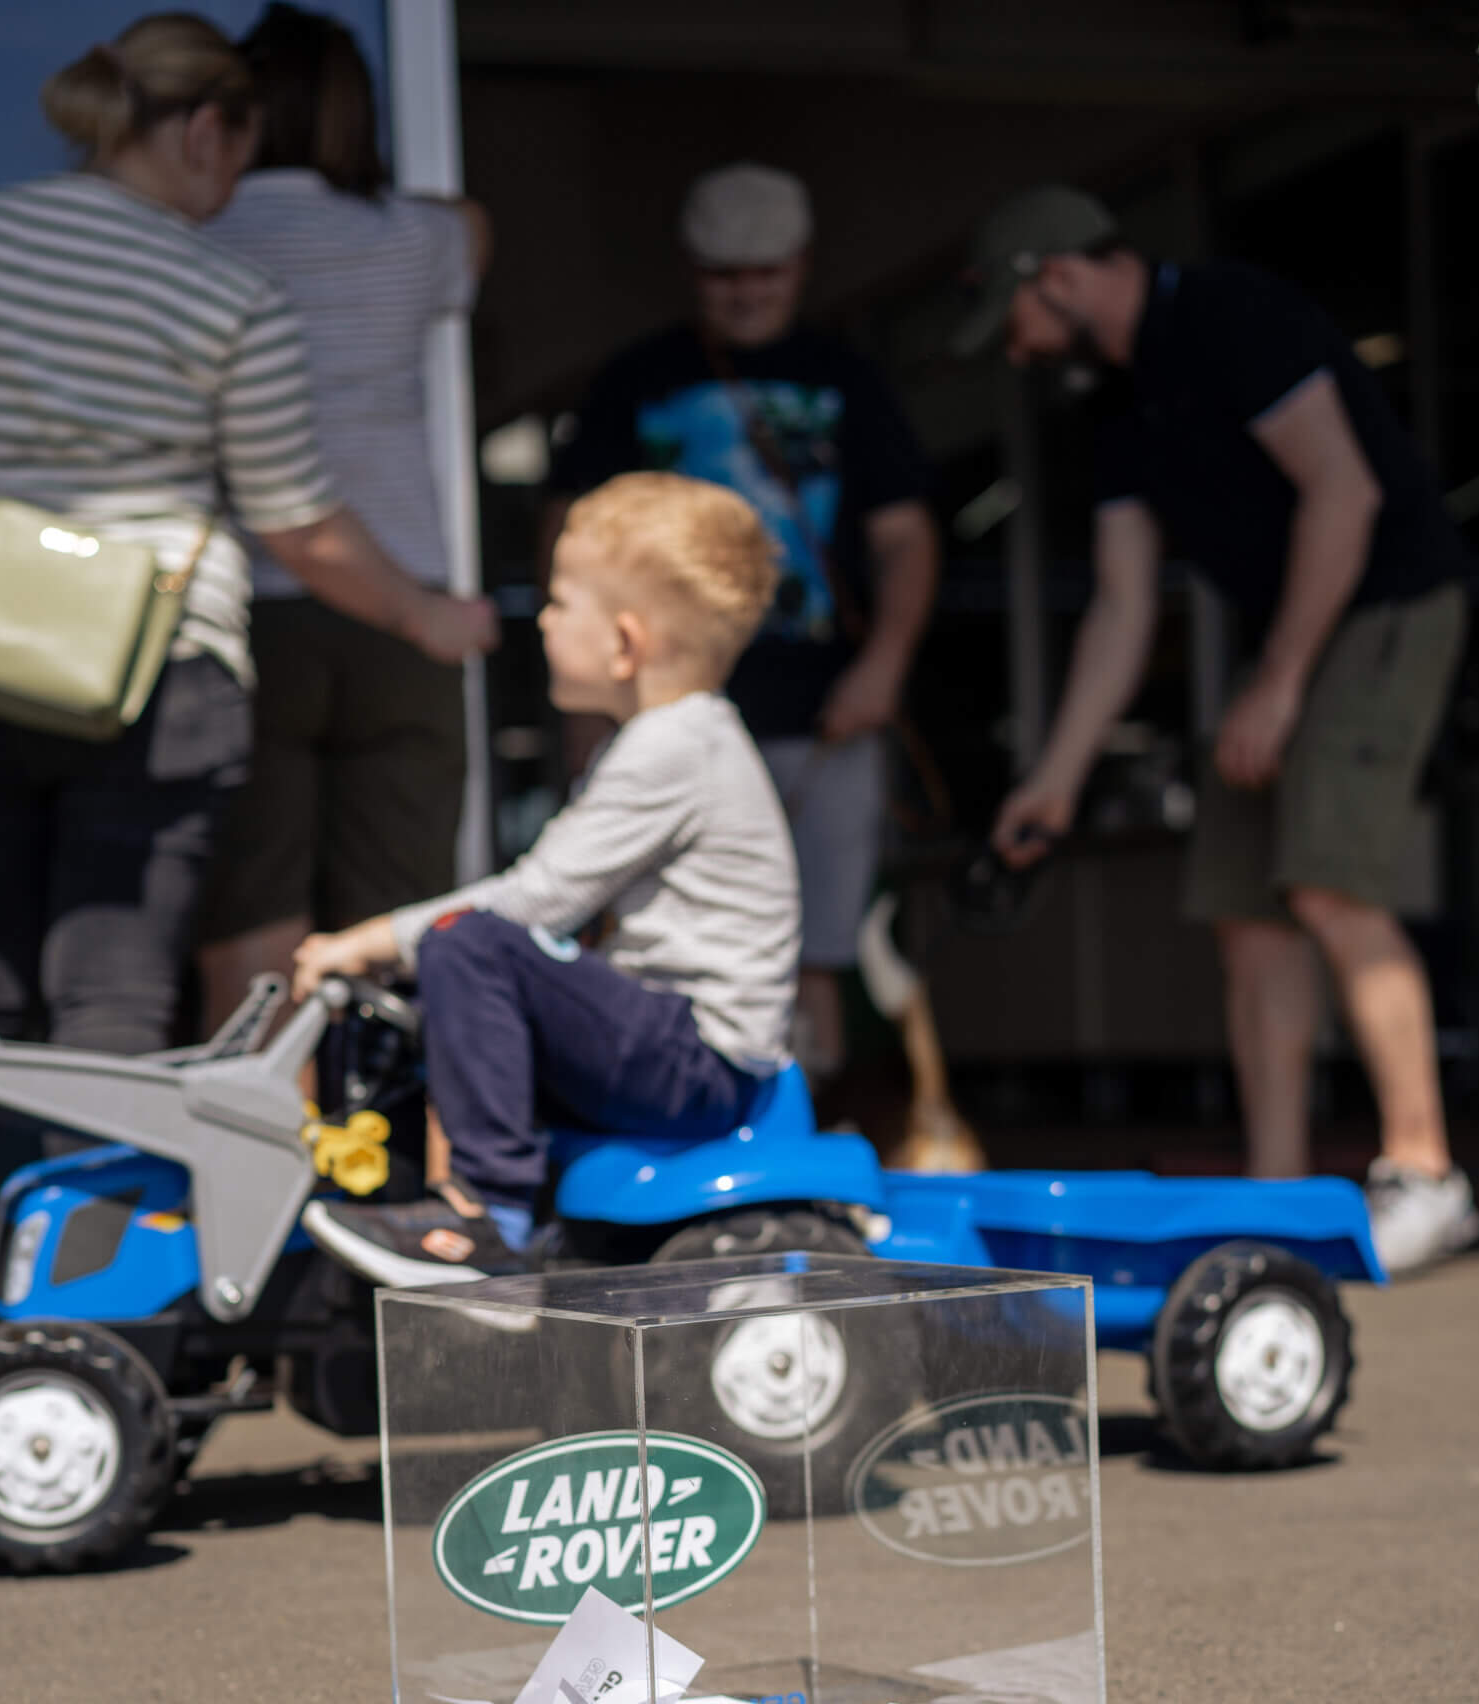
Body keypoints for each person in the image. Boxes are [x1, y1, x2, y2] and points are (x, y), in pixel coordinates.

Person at [0, 11, 494, 1396]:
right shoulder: (217, 294)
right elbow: (299, 523)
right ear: (204, 132)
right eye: (232, 159)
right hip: (156, 670)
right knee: (113, 990)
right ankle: (87, 1311)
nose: (234, 191)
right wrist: (430, 614)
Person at [965, 185, 1479, 1277]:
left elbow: (1341, 498)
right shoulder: (1115, 402)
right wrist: (1052, 780)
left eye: (1012, 324)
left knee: (1331, 884)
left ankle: (1425, 1174)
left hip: (1385, 603)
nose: (1014, 351)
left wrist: (1283, 682)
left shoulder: (1230, 317)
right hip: (1289, 635)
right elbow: (1120, 602)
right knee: (1247, 913)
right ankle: (1280, 1198)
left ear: (1050, 276)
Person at [290, 472, 799, 1283]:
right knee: (449, 981)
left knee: (470, 946)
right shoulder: (666, 739)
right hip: (671, 1041)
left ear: (625, 643)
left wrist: (368, 942)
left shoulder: (673, 748)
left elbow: (536, 901)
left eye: (560, 603)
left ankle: (485, 1215)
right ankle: (396, 1197)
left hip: (695, 1058)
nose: (545, 620)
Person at [544, 164, 940, 1085]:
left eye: (766, 271)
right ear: (691, 268)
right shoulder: (637, 380)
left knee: (820, 937)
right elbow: (567, 537)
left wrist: (882, 664)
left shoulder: (844, 377)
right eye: (726, 273)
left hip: (820, 709)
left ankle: (806, 1123)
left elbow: (906, 538)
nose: (747, 292)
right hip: (658, 714)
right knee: (642, 933)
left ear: (800, 266)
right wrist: (582, 706)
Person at [198, 2, 493, 1031]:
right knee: (404, 919)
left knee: (252, 912)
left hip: (249, 610)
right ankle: (393, 1159)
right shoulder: (413, 239)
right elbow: (473, 227)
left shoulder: (195, 238)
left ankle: (250, 1154)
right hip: (402, 611)